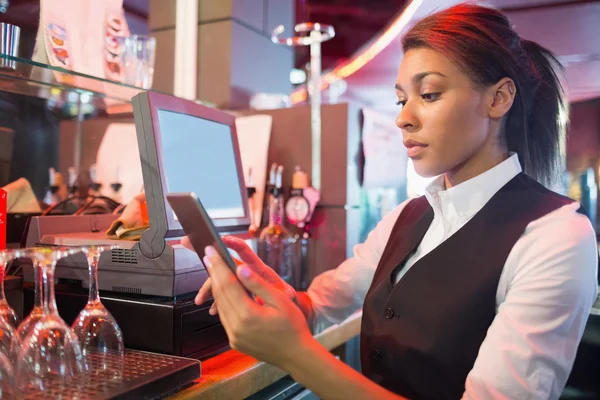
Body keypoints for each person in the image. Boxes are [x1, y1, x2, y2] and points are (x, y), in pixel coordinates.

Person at [183, 3, 599, 399]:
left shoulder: (556, 236)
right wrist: (269, 291)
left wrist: (294, 354)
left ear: (498, 99)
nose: (403, 117)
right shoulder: (409, 215)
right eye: (402, 99)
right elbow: (320, 305)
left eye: (429, 94)